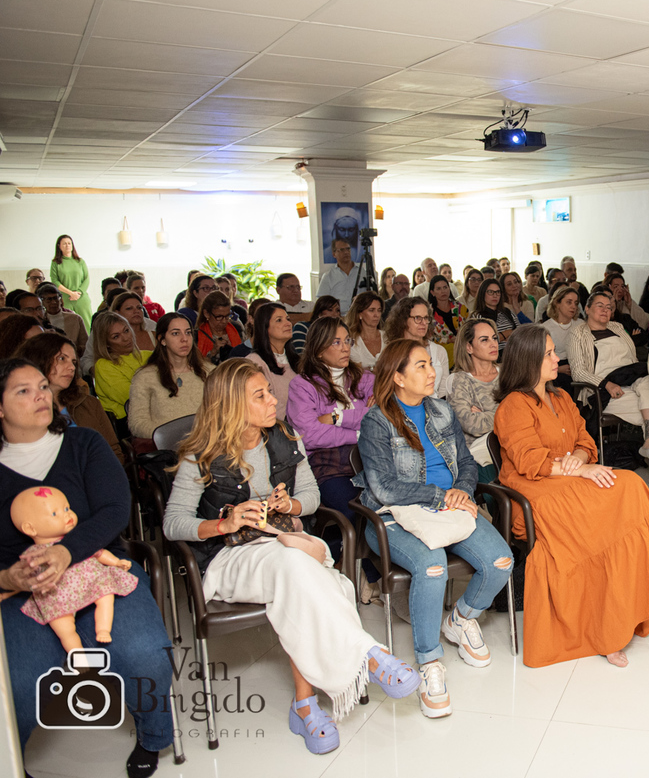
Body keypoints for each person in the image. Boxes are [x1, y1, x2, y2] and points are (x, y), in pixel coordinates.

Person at [163, 359, 420, 753]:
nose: (273, 400)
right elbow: (172, 524)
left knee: (298, 576)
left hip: (287, 545)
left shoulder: (285, 438)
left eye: (270, 389)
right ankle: (369, 654)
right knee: (311, 572)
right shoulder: (199, 454)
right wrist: (225, 523)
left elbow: (312, 499)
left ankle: (304, 706)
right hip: (230, 557)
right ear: (232, 405)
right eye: (261, 395)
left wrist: (292, 505)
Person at [0, 358, 174, 777]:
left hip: (99, 571)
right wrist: (8, 577)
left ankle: (153, 737)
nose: (40, 394)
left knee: (146, 656)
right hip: (25, 591)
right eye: (23, 390)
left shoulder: (84, 444)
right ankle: (11, 764)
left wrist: (65, 553)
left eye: (43, 386)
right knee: (18, 686)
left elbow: (115, 510)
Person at [495, 325, 649, 668]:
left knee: (629, 490)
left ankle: (613, 627)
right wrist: (580, 469)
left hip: (568, 483)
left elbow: (586, 442)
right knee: (621, 500)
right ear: (528, 360)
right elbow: (530, 461)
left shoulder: (562, 397)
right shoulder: (513, 405)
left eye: (553, 351)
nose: (556, 358)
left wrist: (579, 461)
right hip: (535, 495)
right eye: (548, 354)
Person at [354, 339, 513, 716]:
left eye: (431, 364)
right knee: (432, 567)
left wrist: (460, 489)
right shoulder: (377, 421)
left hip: (448, 507)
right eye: (422, 366)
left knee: (502, 562)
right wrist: (439, 496)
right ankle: (429, 663)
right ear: (397, 377)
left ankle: (460, 619)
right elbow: (383, 487)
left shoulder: (441, 410)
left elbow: (466, 463)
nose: (432, 372)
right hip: (393, 515)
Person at [286, 316, 379, 592]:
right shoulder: (303, 386)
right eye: (336, 342)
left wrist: (337, 416)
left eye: (347, 340)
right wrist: (359, 431)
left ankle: (361, 571)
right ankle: (371, 578)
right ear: (318, 349)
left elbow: (380, 414)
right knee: (353, 512)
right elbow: (310, 435)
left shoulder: (363, 377)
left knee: (384, 508)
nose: (345, 347)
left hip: (368, 461)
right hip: (328, 466)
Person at [567, 291, 649, 460]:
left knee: (648, 384)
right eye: (600, 306)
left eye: (609, 307)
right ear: (587, 309)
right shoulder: (577, 334)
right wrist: (606, 384)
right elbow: (578, 372)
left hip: (632, 379)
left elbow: (632, 360)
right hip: (603, 391)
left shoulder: (617, 328)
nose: (605, 310)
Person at [16, 332, 124, 464]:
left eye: (73, 362)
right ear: (39, 359)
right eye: (62, 359)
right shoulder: (16, 411)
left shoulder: (88, 403)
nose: (72, 367)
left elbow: (114, 451)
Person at [127, 313, 209, 444]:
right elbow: (137, 423)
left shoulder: (210, 372)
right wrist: (169, 436)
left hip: (208, 443)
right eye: (176, 333)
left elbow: (225, 411)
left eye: (188, 333)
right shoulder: (145, 377)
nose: (184, 339)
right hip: (167, 448)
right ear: (162, 340)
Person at [449, 319, 502, 483]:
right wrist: (504, 413)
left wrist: (484, 414)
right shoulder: (459, 380)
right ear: (469, 347)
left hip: (512, 446)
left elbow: (522, 414)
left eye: (494, 338)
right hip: (479, 454)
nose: (493, 344)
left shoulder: (507, 373)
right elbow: (471, 425)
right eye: (484, 340)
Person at [92, 311, 149, 433]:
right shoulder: (103, 366)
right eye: (116, 336)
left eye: (126, 331)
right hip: (128, 423)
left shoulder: (148, 356)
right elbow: (132, 397)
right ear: (106, 343)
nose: (126, 338)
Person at [385, 297, 449, 398]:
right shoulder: (390, 352)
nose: (423, 323)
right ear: (403, 320)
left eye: (426, 318)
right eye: (417, 318)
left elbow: (443, 391)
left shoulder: (439, 351)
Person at [245, 302, 299, 421]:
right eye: (279, 320)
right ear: (265, 327)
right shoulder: (254, 362)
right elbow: (264, 403)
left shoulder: (298, 360)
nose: (288, 323)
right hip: (279, 428)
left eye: (288, 319)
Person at [542, 285, 582, 391]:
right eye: (569, 302)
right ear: (557, 303)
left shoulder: (581, 325)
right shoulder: (546, 328)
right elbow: (539, 360)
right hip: (556, 365)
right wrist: (559, 369)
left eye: (576, 303)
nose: (573, 306)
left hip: (578, 363)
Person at [49, 235, 92, 329]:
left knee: (87, 324)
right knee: (69, 326)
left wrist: (78, 292)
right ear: (59, 246)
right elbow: (55, 281)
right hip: (65, 298)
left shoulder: (80, 261)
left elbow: (86, 279)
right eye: (64, 243)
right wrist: (70, 293)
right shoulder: (55, 263)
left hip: (81, 297)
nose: (67, 245)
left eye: (69, 243)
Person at [471, 278, 519, 356]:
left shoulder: (507, 312)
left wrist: (500, 337)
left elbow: (519, 333)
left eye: (497, 292)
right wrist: (507, 333)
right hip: (492, 356)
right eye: (490, 292)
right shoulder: (477, 316)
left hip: (514, 352)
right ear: (482, 293)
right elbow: (482, 342)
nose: (495, 295)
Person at [37, 282, 87, 351]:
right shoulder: (40, 321)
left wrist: (75, 349)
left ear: (61, 299)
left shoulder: (75, 319)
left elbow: (85, 344)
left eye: (56, 298)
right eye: (49, 299)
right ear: (42, 302)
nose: (53, 302)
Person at [195, 290, 241, 364]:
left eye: (227, 316)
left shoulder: (237, 330)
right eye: (219, 317)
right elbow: (195, 365)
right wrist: (213, 352)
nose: (224, 321)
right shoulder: (196, 336)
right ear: (206, 314)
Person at [426, 275, 461, 369]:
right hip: (439, 354)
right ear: (432, 292)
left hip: (462, 350)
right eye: (438, 288)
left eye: (445, 287)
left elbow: (470, 330)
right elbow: (428, 337)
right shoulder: (428, 312)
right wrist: (449, 340)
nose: (443, 291)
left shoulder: (460, 308)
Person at [346, 291, 386, 371]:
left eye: (379, 310)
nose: (376, 315)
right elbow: (357, 371)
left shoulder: (387, 337)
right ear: (360, 314)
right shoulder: (353, 341)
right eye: (371, 310)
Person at [317, 239, 359, 313]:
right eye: (341, 250)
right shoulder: (328, 276)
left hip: (359, 316)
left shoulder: (362, 272)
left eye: (348, 249)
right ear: (334, 254)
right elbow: (321, 300)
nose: (346, 252)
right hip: (337, 317)